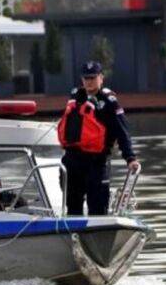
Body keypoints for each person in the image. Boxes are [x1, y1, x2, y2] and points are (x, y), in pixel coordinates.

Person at [57, 61, 140, 216]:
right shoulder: (75, 98)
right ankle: (73, 228)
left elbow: (122, 132)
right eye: (86, 78)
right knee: (72, 207)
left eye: (93, 78)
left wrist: (130, 158)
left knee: (97, 207)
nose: (89, 81)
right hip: (72, 160)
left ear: (101, 78)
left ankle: (99, 228)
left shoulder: (109, 102)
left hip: (96, 162)